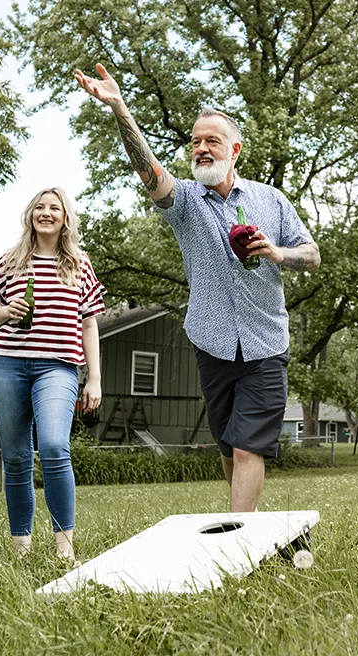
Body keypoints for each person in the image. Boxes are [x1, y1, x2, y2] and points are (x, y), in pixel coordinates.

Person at [74, 64, 320, 513]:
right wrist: (119, 108)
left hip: (266, 341)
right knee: (229, 446)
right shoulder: (186, 201)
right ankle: (242, 522)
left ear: (235, 149)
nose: (202, 149)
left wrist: (279, 254)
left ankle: (239, 539)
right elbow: (149, 172)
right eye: (195, 142)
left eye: (212, 141)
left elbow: (313, 254)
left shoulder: (271, 200)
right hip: (212, 341)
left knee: (247, 447)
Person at [0, 187, 105, 559]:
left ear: (65, 217)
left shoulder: (79, 264)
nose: (46, 212)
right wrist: (7, 311)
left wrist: (93, 378)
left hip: (58, 366)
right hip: (7, 363)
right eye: (39, 207)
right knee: (16, 457)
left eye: (55, 207)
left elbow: (89, 324)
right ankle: (21, 547)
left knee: (53, 446)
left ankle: (64, 548)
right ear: (30, 215)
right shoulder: (10, 261)